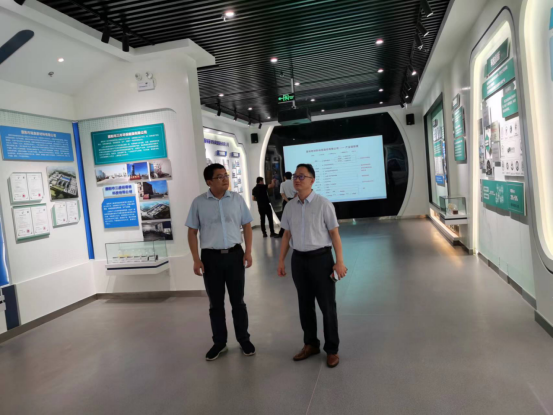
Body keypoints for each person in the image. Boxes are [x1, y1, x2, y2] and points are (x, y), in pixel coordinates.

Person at [277, 164, 347, 368]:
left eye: (302, 176)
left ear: (312, 180)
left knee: (327, 306)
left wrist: (339, 261)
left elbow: (334, 234)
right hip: (299, 260)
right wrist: (281, 260)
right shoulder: (290, 207)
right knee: (304, 305)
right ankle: (310, 344)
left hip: (321, 260)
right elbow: (286, 235)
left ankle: (332, 349)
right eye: (295, 176)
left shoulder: (324, 204)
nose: (297, 180)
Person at [186, 163, 255, 361]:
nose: (225, 179)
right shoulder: (199, 203)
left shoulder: (237, 199)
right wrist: (196, 259)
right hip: (211, 258)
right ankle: (219, 343)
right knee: (215, 304)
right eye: (220, 176)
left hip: (235, 255)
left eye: (226, 175)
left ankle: (244, 339)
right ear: (209, 182)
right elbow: (192, 232)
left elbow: (247, 226)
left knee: (238, 302)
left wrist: (248, 252)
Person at [278, 172, 297, 237]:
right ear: (291, 177)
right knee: (294, 216)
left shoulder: (283, 184)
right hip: (294, 201)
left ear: (284, 177)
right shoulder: (294, 183)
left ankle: (282, 233)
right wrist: (293, 200)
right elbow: (297, 193)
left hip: (286, 201)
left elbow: (282, 194)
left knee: (284, 217)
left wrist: (288, 201)